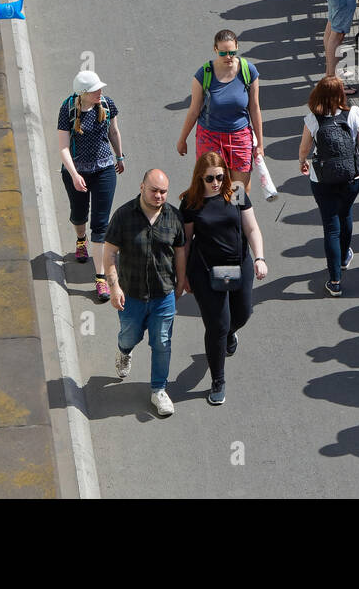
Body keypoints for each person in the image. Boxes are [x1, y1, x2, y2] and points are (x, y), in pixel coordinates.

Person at [180, 152, 268, 405]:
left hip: (239, 265)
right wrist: (183, 274)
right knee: (216, 326)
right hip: (205, 271)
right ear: (200, 177)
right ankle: (218, 380)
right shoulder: (190, 202)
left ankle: (230, 333)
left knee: (242, 314)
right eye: (210, 178)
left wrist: (259, 257)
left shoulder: (236, 193)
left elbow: (252, 228)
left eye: (220, 176)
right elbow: (185, 242)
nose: (216, 183)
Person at [102, 169, 188, 418]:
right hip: (132, 295)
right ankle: (124, 351)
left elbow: (180, 251)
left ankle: (159, 389)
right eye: (154, 190)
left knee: (162, 342)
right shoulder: (124, 215)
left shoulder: (173, 216)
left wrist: (181, 281)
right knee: (130, 336)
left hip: (164, 294)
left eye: (163, 192)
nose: (159, 196)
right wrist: (114, 286)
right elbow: (109, 253)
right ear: (142, 187)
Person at [299, 76, 359, 295]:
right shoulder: (354, 114)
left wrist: (302, 163)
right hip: (351, 177)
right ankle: (344, 257)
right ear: (341, 94)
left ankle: (334, 281)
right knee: (346, 215)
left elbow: (304, 148)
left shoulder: (312, 119)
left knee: (331, 227)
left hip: (322, 180)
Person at [58, 69, 125, 297]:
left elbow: (114, 132)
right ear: (83, 93)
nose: (101, 92)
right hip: (76, 171)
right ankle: (80, 240)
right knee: (79, 214)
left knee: (101, 223)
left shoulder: (107, 104)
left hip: (105, 169)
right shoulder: (67, 109)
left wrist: (120, 156)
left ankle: (100, 278)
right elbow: (63, 147)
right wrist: (75, 174)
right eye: (96, 89)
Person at [176, 30, 265, 195]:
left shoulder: (248, 71)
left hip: (239, 136)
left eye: (232, 52)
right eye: (223, 53)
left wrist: (259, 143)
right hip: (210, 135)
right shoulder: (204, 74)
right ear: (215, 50)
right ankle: (214, 217)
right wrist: (182, 139)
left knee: (238, 190)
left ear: (237, 47)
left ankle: (236, 218)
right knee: (212, 186)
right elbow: (194, 110)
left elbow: (254, 107)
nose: (228, 57)